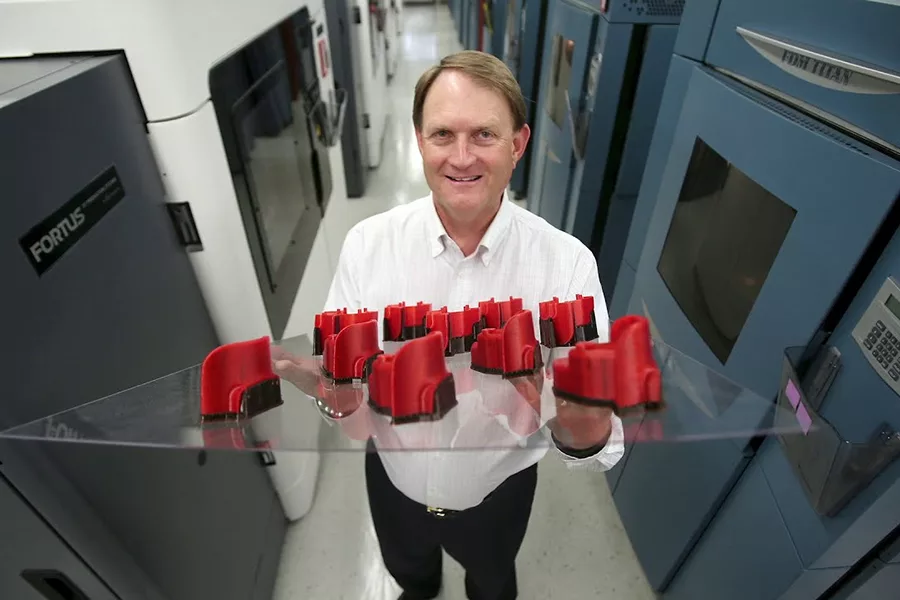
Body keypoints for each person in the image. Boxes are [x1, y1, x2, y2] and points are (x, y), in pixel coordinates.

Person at [295, 50, 623, 600]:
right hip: (393, 479)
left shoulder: (566, 266)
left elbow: (593, 436)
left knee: (492, 584)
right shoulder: (368, 246)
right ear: (419, 140)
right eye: (443, 133)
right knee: (412, 579)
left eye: (485, 135)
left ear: (518, 145)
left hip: (498, 488)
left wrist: (569, 416)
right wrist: (334, 392)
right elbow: (343, 392)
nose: (462, 157)